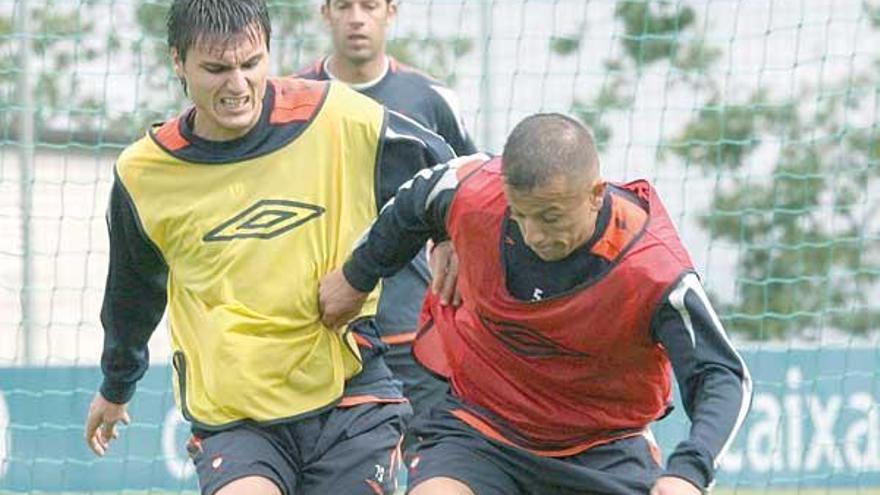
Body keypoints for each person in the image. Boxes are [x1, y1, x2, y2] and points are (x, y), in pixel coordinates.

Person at [82, 1, 454, 494]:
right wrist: (116, 384)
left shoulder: (336, 116)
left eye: (251, 64)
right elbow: (132, 291)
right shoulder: (144, 174)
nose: (237, 85)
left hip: (350, 396)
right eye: (216, 69)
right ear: (179, 61)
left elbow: (446, 169)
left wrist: (449, 236)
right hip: (236, 418)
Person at [319, 113, 753, 495]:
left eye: (551, 217)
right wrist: (356, 278)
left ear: (596, 195)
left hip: (603, 448)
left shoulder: (651, 269)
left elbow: (721, 375)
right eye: (520, 214)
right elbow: (416, 199)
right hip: (483, 432)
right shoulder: (475, 191)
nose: (534, 234)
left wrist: (689, 473)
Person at [297, 0, 477, 421]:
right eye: (343, 6)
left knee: (433, 466)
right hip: (320, 327)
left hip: (410, 328)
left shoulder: (431, 100)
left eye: (370, 5)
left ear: (391, 11)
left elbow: (469, 188)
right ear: (325, 13)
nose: (356, 17)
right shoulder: (292, 98)